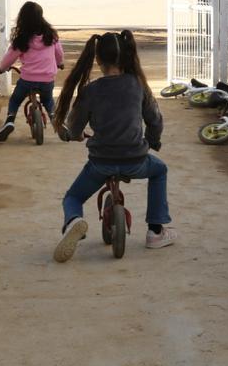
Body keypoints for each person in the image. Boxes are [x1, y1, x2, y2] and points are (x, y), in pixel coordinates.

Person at [51, 30, 177, 262]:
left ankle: (74, 222)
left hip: (101, 163)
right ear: (126, 57)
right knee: (159, 170)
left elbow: (75, 125)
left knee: (73, 198)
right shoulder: (138, 85)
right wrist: (153, 140)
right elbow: (155, 119)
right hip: (136, 161)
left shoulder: (90, 90)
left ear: (98, 60)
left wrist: (76, 135)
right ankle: (156, 231)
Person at [0, 1, 64, 141]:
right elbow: (59, 53)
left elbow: (10, 57)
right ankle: (55, 119)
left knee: (15, 100)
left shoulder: (22, 39)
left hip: (27, 79)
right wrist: (60, 63)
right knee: (48, 100)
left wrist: (2, 68)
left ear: (22, 19)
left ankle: (9, 121)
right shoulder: (51, 35)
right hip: (47, 79)